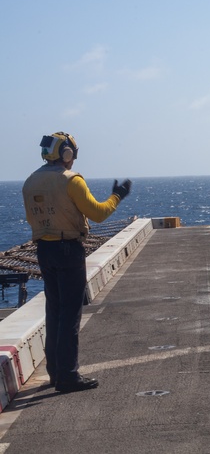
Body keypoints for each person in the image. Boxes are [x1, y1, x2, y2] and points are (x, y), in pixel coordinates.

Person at [22, 132, 132, 393]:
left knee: (54, 312)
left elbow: (30, 218)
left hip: (45, 250)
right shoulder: (71, 181)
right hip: (68, 249)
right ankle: (68, 376)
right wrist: (117, 195)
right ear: (66, 153)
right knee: (70, 315)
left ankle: (55, 373)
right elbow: (99, 213)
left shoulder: (30, 182)